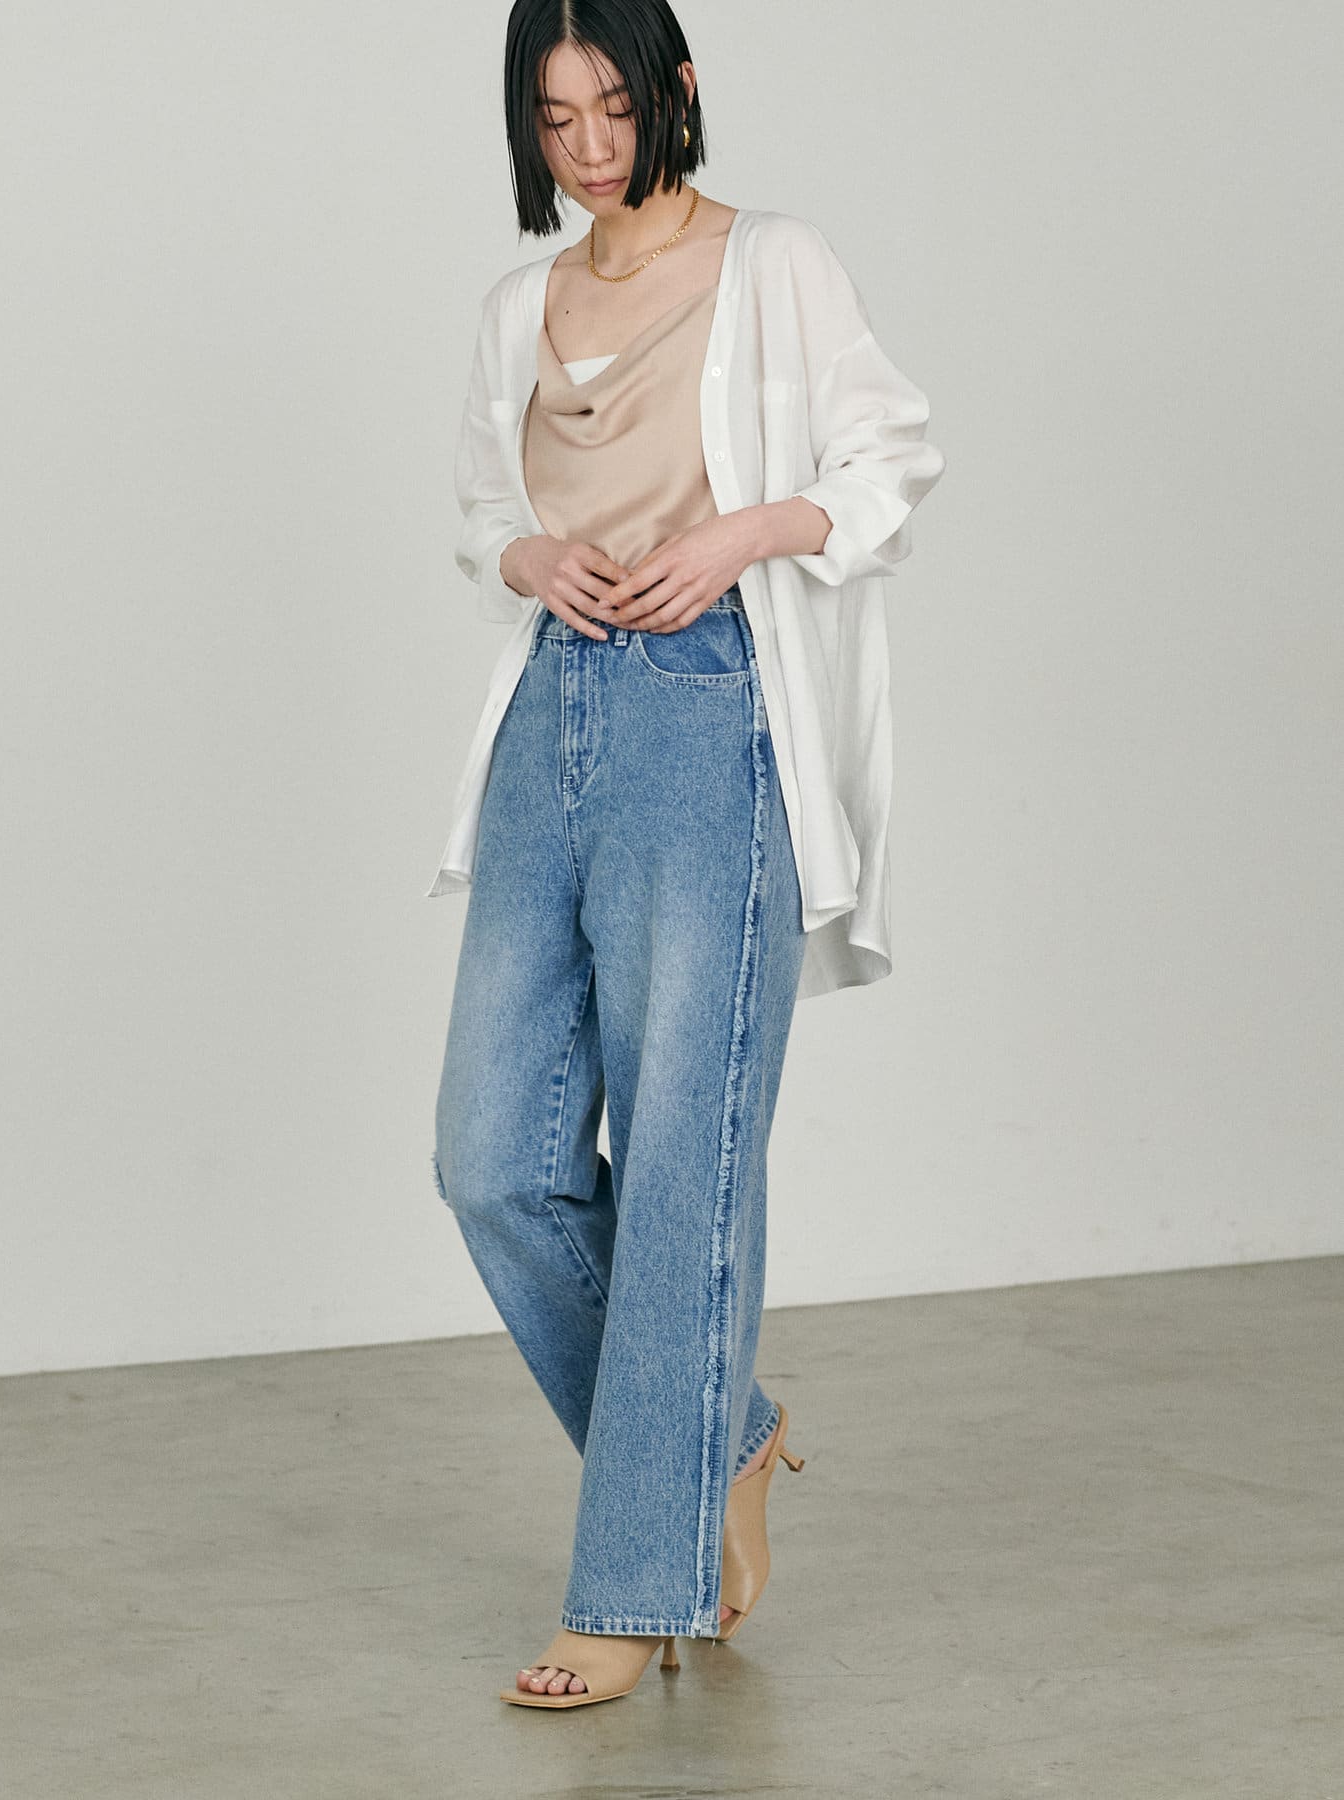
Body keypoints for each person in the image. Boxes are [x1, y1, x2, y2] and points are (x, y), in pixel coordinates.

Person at [425, 0, 946, 1709]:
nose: (589, 147)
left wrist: (743, 536)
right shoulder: (520, 305)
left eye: (614, 107)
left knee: (679, 1165)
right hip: (550, 718)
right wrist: (528, 563)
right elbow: (484, 511)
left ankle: (635, 1590)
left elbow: (890, 458)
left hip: (712, 716)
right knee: (492, 1158)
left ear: (678, 91)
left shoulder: (774, 262)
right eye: (554, 117)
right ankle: (724, 1433)